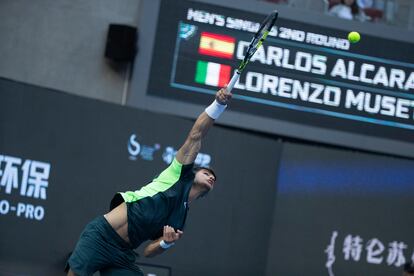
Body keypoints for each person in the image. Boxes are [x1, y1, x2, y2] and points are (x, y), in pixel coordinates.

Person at [66, 87, 232, 275]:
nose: (211, 176)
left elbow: (149, 251)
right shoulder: (177, 174)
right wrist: (218, 105)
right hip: (101, 236)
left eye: (214, 178)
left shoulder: (180, 219)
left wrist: (165, 243)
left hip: (123, 255)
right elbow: (196, 135)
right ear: (193, 173)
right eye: (207, 172)